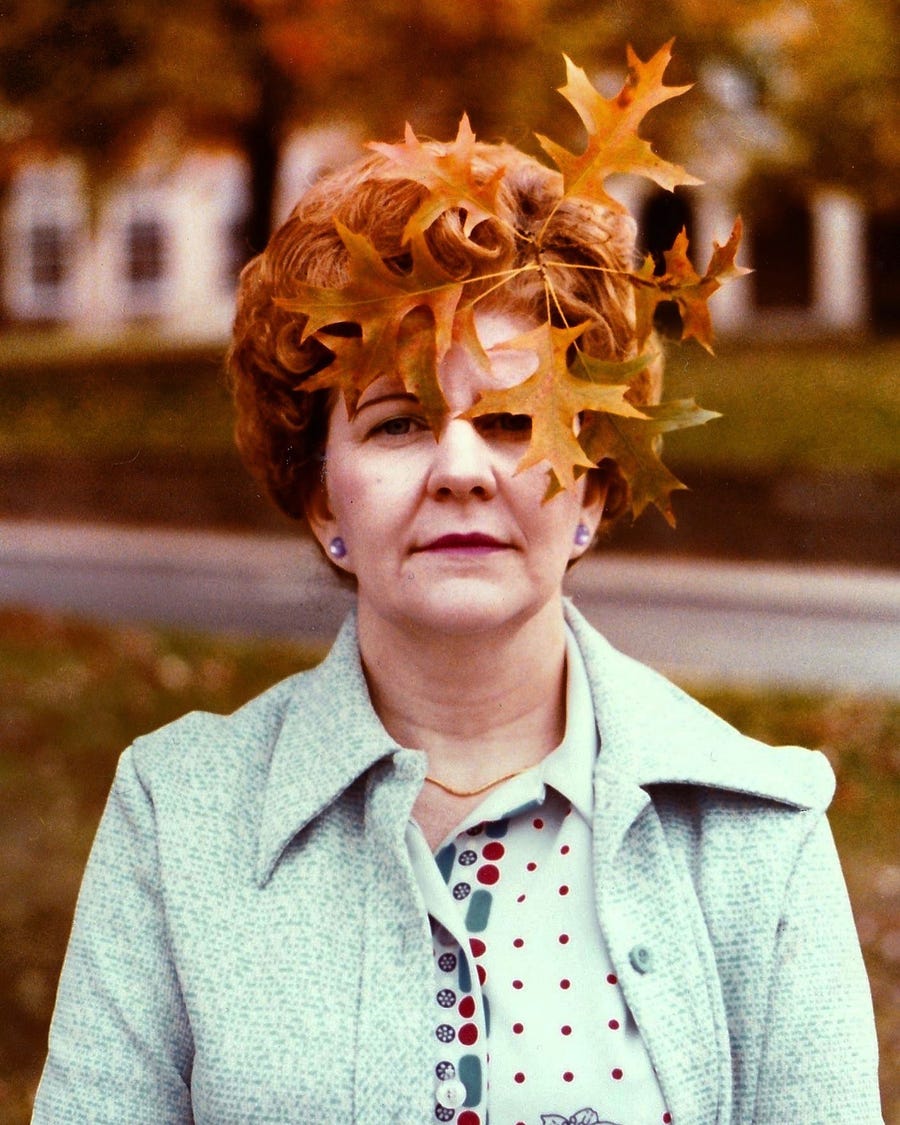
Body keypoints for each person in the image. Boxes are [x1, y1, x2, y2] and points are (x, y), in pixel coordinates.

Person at [33, 86, 881, 1125]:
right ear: (317, 495)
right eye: (398, 423)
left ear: (595, 488)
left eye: (519, 419)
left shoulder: (759, 833)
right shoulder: (176, 818)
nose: (463, 468)